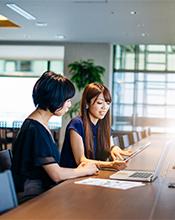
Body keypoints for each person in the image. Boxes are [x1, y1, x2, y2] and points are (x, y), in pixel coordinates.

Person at [12, 71, 98, 203]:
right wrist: (86, 170)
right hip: (33, 198)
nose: (69, 105)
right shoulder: (35, 129)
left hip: (44, 192)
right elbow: (56, 175)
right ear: (55, 99)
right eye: (67, 100)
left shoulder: (37, 124)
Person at [60, 82, 132, 170]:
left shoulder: (103, 125)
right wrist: (110, 164)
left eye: (108, 103)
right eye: (99, 103)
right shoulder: (77, 124)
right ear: (87, 103)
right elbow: (81, 161)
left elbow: (110, 145)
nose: (105, 107)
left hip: (91, 176)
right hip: (70, 179)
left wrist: (114, 148)